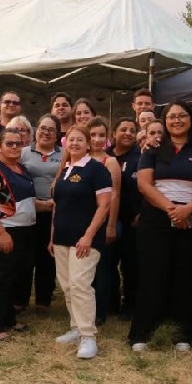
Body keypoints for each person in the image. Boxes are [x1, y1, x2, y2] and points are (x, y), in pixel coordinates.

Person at [129, 101, 192, 352]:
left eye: (182, 116)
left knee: (186, 276)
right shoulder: (152, 149)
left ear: (190, 119)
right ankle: (142, 333)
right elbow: (144, 184)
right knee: (153, 275)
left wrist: (187, 210)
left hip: (191, 218)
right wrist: (172, 210)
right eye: (171, 117)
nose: (176, 120)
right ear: (164, 121)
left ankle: (184, 334)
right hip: (156, 218)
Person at [50, 125, 112, 359]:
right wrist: (52, 237)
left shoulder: (97, 170)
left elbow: (104, 205)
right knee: (67, 286)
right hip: (61, 239)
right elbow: (58, 207)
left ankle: (88, 336)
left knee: (80, 285)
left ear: (88, 144)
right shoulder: (65, 169)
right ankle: (76, 327)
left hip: (84, 239)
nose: (74, 143)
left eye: (79, 140)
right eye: (70, 140)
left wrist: (88, 235)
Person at [0, 128, 40, 340]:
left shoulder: (21, 169)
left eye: (18, 144)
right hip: (5, 231)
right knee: (1, 279)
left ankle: (9, 319)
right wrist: (1, 233)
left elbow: (25, 201)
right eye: (9, 144)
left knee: (13, 278)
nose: (14, 147)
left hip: (26, 231)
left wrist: (49, 206)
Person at [21, 114, 63, 313]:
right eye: (42, 128)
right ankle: (20, 299)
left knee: (47, 255)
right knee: (26, 255)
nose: (46, 132)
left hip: (54, 211)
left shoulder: (65, 154)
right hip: (28, 210)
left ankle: (43, 301)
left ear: (57, 134)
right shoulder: (23, 153)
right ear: (36, 131)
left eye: (51, 129)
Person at [85, 117, 121, 326]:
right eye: (93, 135)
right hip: (83, 220)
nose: (97, 139)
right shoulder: (80, 158)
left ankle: (100, 311)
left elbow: (115, 196)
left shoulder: (111, 162)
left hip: (104, 220)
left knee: (103, 268)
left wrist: (110, 225)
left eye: (101, 135)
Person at [107, 118, 142, 318]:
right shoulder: (106, 156)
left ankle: (130, 304)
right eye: (123, 129)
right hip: (109, 218)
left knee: (131, 265)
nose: (128, 133)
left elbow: (148, 187)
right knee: (109, 263)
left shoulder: (141, 157)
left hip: (132, 221)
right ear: (114, 133)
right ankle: (111, 303)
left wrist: (141, 212)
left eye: (132, 130)